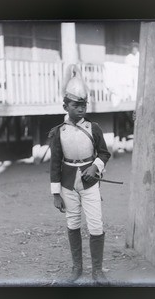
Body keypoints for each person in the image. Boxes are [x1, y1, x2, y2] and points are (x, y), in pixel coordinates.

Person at [48, 65, 111, 285]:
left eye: (83, 105)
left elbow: (104, 152)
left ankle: (97, 272)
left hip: (90, 182)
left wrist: (96, 166)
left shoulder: (94, 128)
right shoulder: (59, 132)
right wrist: (56, 194)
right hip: (67, 183)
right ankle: (77, 268)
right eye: (76, 105)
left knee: (96, 224)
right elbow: (55, 163)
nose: (81, 109)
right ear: (66, 106)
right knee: (73, 222)